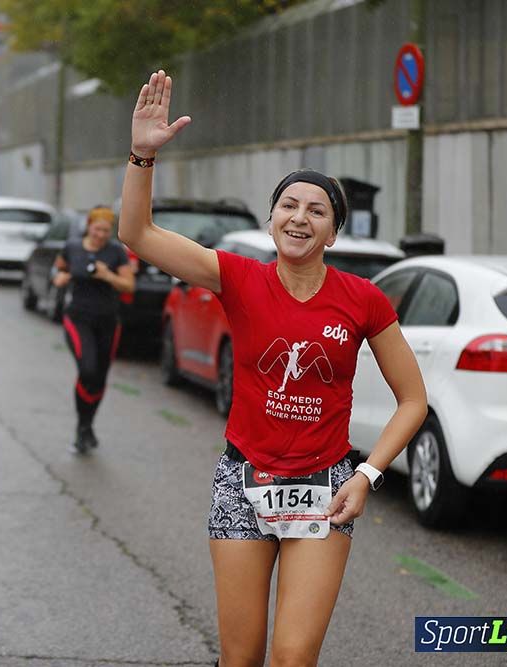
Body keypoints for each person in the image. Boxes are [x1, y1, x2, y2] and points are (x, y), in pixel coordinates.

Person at [119, 70, 428, 667]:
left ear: (332, 232)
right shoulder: (238, 278)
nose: (299, 217)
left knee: (292, 658)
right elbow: (137, 233)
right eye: (288, 205)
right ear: (271, 221)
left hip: (326, 491)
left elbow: (413, 399)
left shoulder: (364, 299)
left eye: (317, 210)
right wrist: (142, 155)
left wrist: (367, 475)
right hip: (243, 482)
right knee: (240, 659)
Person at [52, 206, 135, 453]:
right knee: (87, 370)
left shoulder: (116, 252)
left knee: (99, 377)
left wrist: (108, 275)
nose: (101, 235)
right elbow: (59, 268)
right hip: (78, 319)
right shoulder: (72, 247)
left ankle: (86, 427)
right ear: (88, 226)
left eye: (106, 231)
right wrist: (60, 278)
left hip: (108, 322)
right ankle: (82, 426)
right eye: (97, 229)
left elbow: (129, 285)